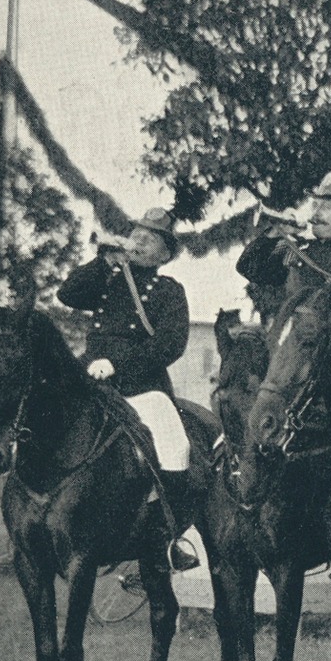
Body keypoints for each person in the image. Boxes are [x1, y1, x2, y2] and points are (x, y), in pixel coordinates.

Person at [57, 207, 198, 571]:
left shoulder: (169, 290)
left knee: (175, 447)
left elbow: (171, 344)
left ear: (164, 254)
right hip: (91, 376)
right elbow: (68, 293)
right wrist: (103, 261)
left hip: (142, 385)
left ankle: (168, 539)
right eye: (137, 233)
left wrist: (119, 365)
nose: (138, 240)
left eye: (149, 238)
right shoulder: (108, 277)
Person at [234, 170, 331, 325]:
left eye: (326, 207)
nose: (316, 213)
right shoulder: (295, 250)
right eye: (315, 205)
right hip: (285, 343)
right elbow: (247, 267)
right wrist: (275, 233)